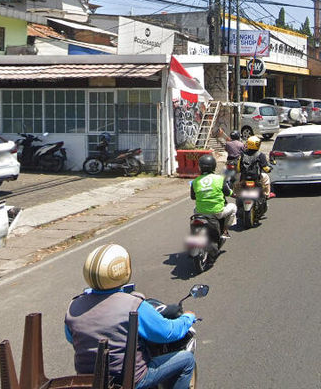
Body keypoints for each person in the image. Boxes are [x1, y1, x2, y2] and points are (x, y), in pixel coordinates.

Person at [65, 244, 196, 389]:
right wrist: (187, 319)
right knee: (187, 360)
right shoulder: (134, 304)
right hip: (134, 380)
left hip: (87, 382)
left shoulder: (73, 306)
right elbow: (167, 333)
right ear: (123, 271)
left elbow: (72, 338)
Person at [190, 154, 236, 238]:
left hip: (200, 211)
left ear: (200, 167)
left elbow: (193, 197)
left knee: (194, 209)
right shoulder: (219, 179)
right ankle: (225, 230)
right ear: (214, 166)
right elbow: (227, 192)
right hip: (217, 212)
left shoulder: (195, 181)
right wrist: (235, 195)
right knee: (233, 207)